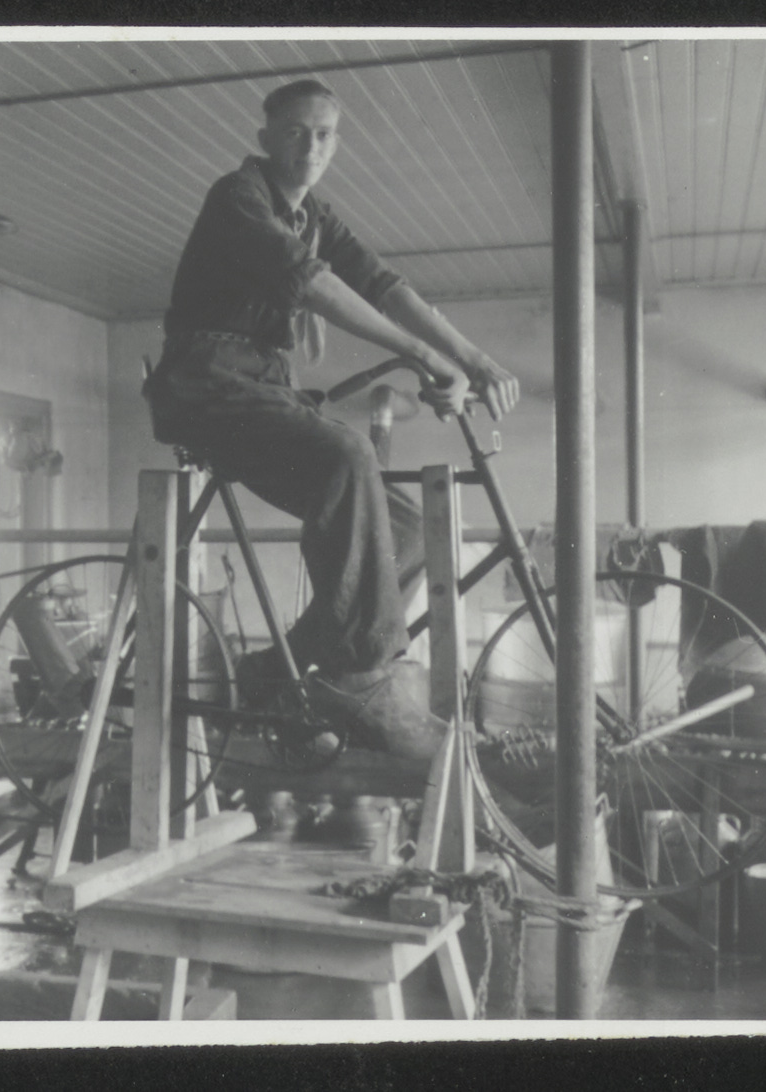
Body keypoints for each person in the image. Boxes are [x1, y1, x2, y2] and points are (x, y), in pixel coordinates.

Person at [143, 79, 520, 755]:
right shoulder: (239, 197)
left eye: (323, 135)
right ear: (266, 138)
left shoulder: (313, 213)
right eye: (295, 132)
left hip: (260, 386)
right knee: (347, 453)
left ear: (336, 144)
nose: (310, 147)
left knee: (409, 533)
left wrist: (475, 358)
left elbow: (383, 285)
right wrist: (420, 354)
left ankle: (274, 670)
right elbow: (313, 284)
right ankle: (361, 678)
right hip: (206, 384)